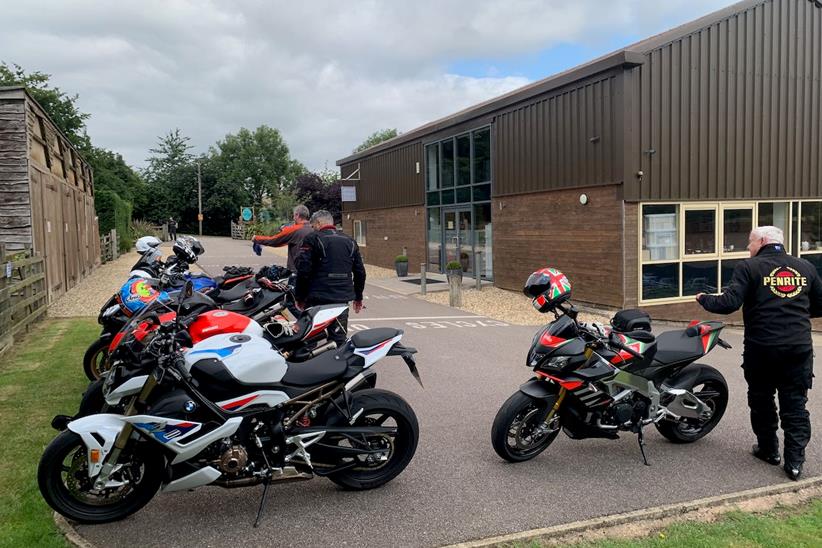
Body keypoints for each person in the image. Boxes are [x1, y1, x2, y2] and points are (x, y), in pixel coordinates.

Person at [695, 226, 822, 481]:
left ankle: (769, 450)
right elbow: (819, 305)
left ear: (762, 241)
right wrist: (791, 312)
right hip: (798, 348)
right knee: (795, 404)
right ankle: (795, 463)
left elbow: (728, 303)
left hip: (761, 348)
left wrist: (703, 298)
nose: (748, 248)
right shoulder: (805, 267)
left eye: (750, 242)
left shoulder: (749, 267)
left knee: (762, 399)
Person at [294, 210, 366, 346]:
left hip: (317, 298)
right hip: (341, 299)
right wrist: (358, 297)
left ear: (319, 223)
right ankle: (337, 365)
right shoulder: (350, 241)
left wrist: (300, 297)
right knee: (338, 340)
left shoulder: (312, 239)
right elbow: (360, 272)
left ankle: (310, 365)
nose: (313, 229)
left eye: (313, 226)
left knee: (309, 338)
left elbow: (303, 270)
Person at [251, 205, 313, 272]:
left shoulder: (294, 229)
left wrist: (256, 238)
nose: (293, 218)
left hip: (296, 271)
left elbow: (275, 240)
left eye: (294, 216)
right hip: (313, 271)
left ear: (297, 215)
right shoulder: (314, 228)